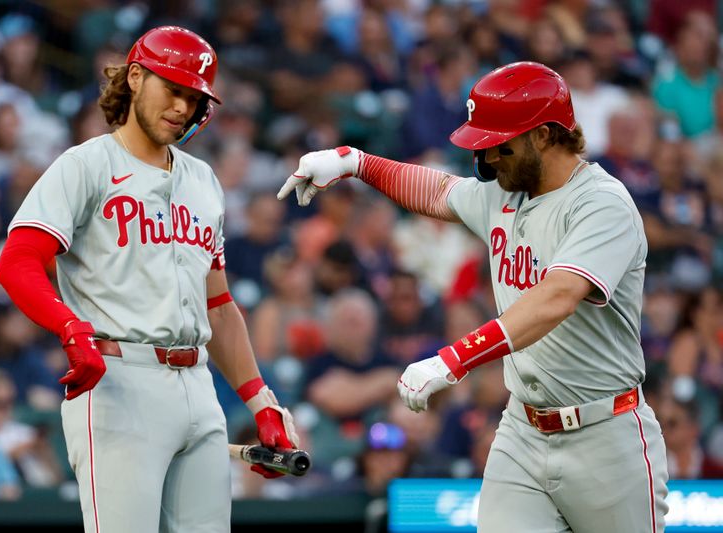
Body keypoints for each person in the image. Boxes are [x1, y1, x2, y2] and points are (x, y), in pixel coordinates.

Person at [279, 61, 669, 532]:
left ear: (544, 135)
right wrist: (356, 162)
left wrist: (454, 359)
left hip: (606, 436)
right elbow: (437, 190)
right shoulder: (505, 193)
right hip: (523, 432)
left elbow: (557, 297)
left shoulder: (601, 203)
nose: (487, 156)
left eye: (498, 142)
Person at [0, 26, 298, 532]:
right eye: (172, 89)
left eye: (194, 98)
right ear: (135, 77)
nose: (183, 107)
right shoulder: (87, 164)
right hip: (118, 379)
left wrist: (260, 400)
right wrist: (70, 327)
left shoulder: (203, 180)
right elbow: (18, 261)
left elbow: (218, 306)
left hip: (197, 385)